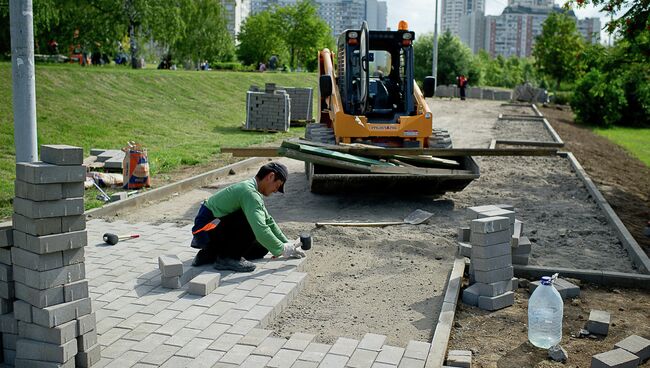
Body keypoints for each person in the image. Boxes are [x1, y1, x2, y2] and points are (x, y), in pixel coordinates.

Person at [190, 162, 306, 272]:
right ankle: (228, 258)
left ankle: (210, 254)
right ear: (271, 176)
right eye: (277, 185)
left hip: (211, 231)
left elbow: (269, 221)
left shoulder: (251, 189)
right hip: (205, 232)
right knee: (252, 221)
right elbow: (261, 229)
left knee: (261, 248)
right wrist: (282, 249)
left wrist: (287, 244)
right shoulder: (249, 193)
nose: (276, 191)